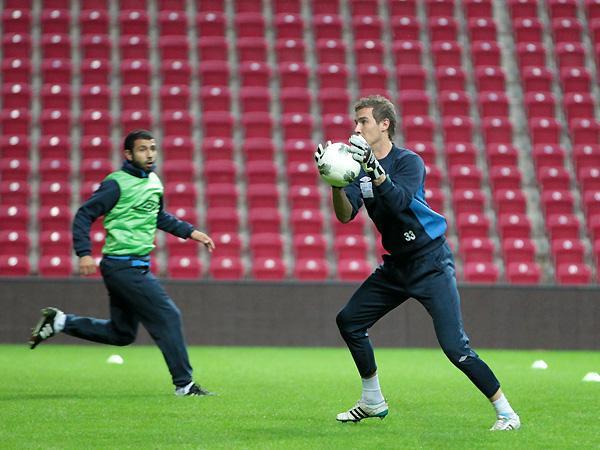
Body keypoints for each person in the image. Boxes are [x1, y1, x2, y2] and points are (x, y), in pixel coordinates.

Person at [314, 95, 520, 430]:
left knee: (455, 347)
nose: (357, 128)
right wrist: (335, 183)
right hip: (397, 266)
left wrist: (375, 170)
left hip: (430, 262)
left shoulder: (408, 162)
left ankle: (507, 413)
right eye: (356, 122)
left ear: (384, 124)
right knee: (349, 321)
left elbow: (398, 202)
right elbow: (345, 215)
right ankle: (372, 400)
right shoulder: (357, 168)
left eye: (364, 121)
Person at [29, 129, 216, 397]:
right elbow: (84, 214)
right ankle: (184, 385)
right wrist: (84, 253)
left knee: (122, 334)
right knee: (168, 316)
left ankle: (59, 322)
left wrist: (191, 232)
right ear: (128, 154)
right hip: (124, 267)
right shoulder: (115, 183)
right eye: (142, 149)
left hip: (133, 266)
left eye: (152, 148)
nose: (149, 154)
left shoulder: (154, 182)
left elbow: (157, 216)